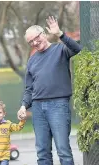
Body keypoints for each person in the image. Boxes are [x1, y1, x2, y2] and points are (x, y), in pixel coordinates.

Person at [17, 16, 82, 165]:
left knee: (63, 151)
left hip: (58, 105)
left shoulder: (60, 49)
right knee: (42, 153)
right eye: (30, 42)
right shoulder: (32, 60)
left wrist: (60, 34)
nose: (34, 43)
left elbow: (77, 48)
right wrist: (23, 106)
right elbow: (29, 88)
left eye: (36, 38)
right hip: (38, 109)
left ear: (43, 34)